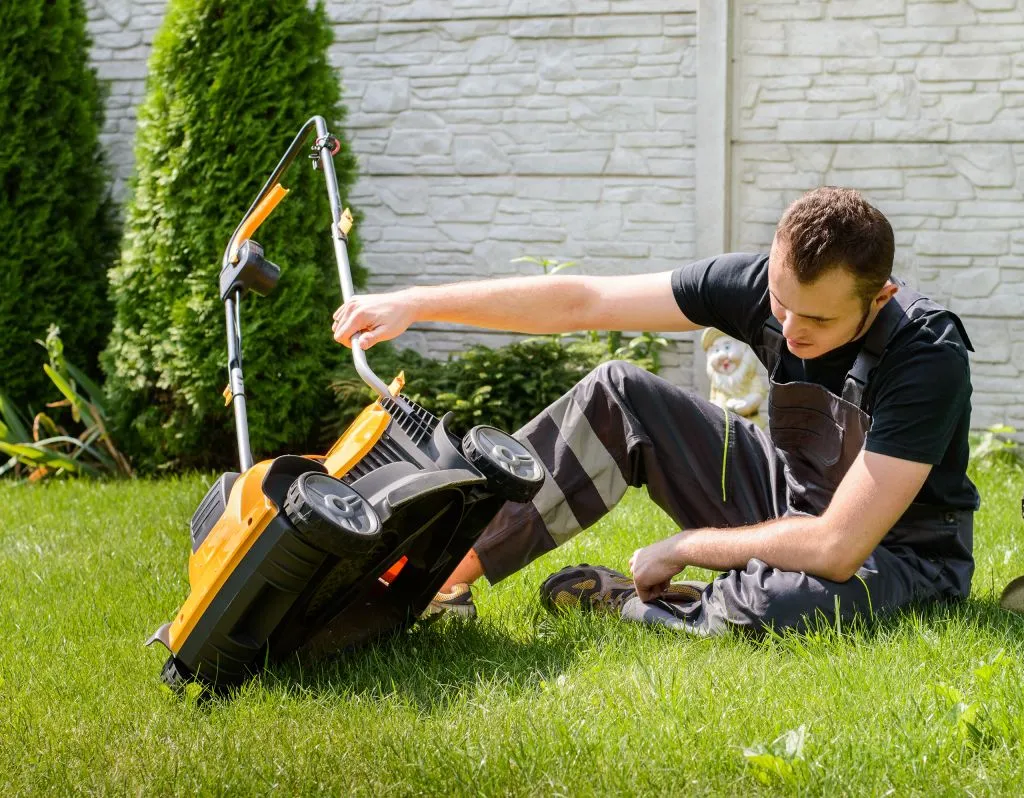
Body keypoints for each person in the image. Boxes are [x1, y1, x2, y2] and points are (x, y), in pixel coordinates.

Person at [331, 187, 978, 635]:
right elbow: (584, 303)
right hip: (790, 497)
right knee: (619, 392)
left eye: (816, 319)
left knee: (784, 607)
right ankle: (441, 580)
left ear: (880, 295)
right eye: (781, 304)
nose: (790, 327)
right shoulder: (759, 288)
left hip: (895, 554)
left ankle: (641, 605)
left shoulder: (928, 355)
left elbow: (838, 547)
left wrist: (685, 545)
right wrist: (415, 302)